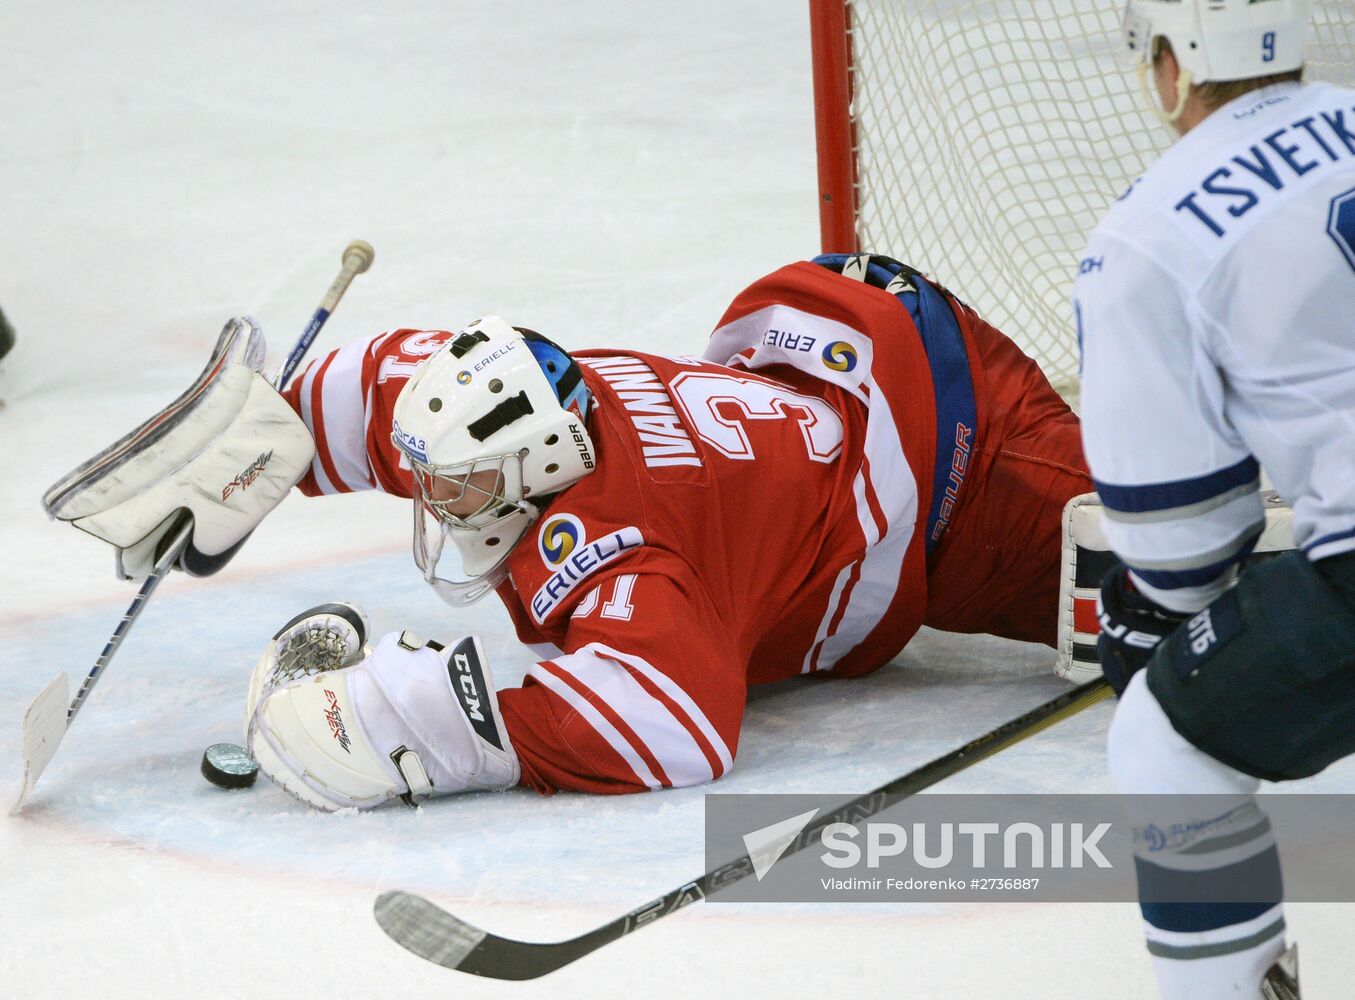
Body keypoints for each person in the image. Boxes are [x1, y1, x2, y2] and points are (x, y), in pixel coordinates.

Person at [47, 253, 1089, 810]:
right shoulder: (516, 398)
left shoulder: (626, 553)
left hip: (957, 478)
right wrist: (255, 441)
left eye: (456, 488)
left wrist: (414, 720)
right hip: (839, 358)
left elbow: (675, 724)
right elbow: (380, 386)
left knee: (1182, 573)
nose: (432, 498)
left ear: (540, 476)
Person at [1074, 2, 1355, 997]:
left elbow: (1178, 534)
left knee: (1164, 743)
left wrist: (1156, 609)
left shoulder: (1145, 231)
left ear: (1168, 64)